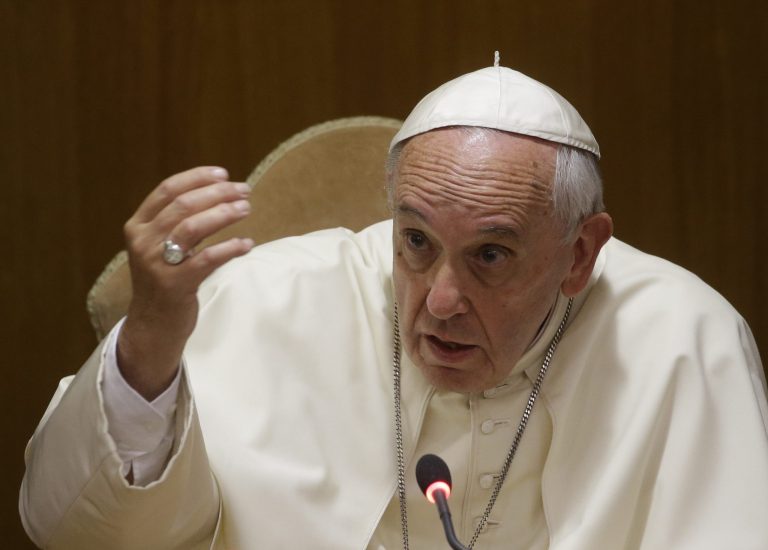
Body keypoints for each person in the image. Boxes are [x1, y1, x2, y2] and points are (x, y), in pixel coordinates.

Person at [20, 61, 768, 550]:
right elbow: (73, 530)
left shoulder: (683, 339)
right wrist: (151, 336)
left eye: (491, 255)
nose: (441, 300)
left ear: (578, 254)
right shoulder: (265, 299)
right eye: (414, 241)